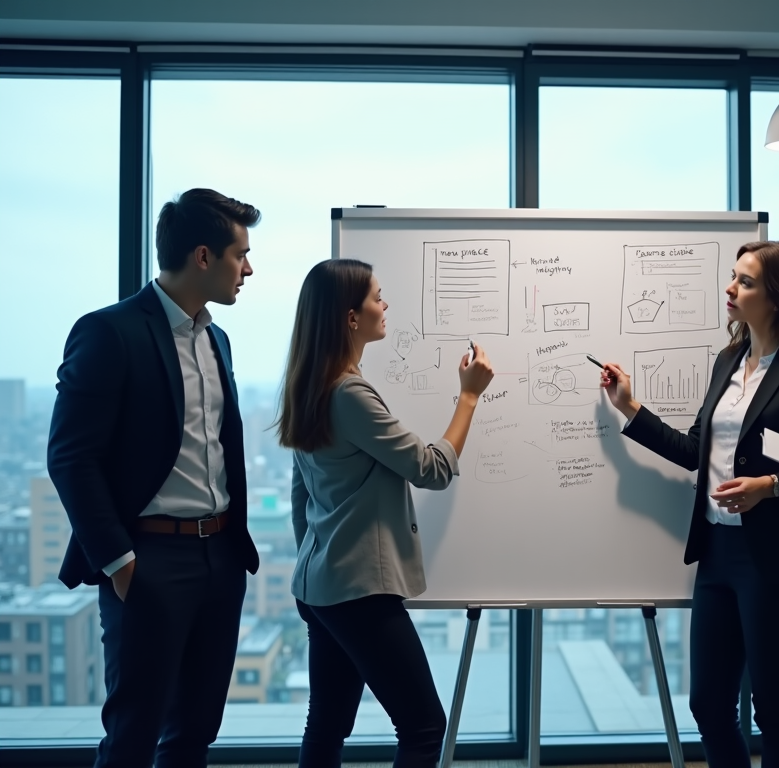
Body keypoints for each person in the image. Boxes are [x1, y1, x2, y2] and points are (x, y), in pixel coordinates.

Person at [602, 241, 779, 768]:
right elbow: (697, 451)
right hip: (717, 554)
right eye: (733, 277)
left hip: (777, 560)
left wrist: (769, 486)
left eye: (746, 282)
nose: (730, 289)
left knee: (775, 709)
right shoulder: (727, 360)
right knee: (709, 705)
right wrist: (630, 407)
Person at [46, 188, 262, 767]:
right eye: (241, 253)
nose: (249, 267)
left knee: (194, 734)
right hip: (147, 560)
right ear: (202, 256)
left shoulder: (217, 339)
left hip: (219, 557)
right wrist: (118, 560)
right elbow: (70, 457)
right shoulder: (109, 332)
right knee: (134, 736)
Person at [278, 259, 495, 768]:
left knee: (327, 724)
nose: (386, 304)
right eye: (377, 296)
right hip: (357, 593)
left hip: (320, 587)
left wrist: (320, 555)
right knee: (425, 730)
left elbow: (299, 496)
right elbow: (431, 468)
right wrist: (468, 396)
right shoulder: (349, 394)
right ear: (350, 317)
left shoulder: (310, 383)